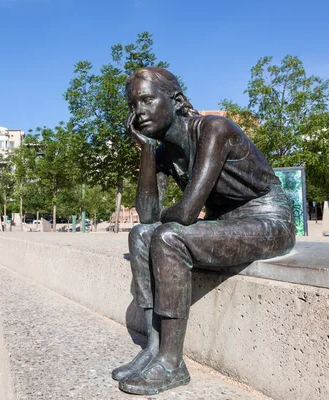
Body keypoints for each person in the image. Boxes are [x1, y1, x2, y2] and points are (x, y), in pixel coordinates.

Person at [113, 67, 296, 395]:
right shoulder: (162, 152)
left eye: (147, 100)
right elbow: (147, 215)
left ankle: (172, 363)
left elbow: (184, 213)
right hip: (223, 223)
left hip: (267, 222)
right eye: (132, 104)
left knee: (167, 237)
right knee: (141, 235)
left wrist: (166, 219)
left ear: (177, 100)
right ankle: (153, 349)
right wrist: (145, 153)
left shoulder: (214, 129)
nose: (137, 112)